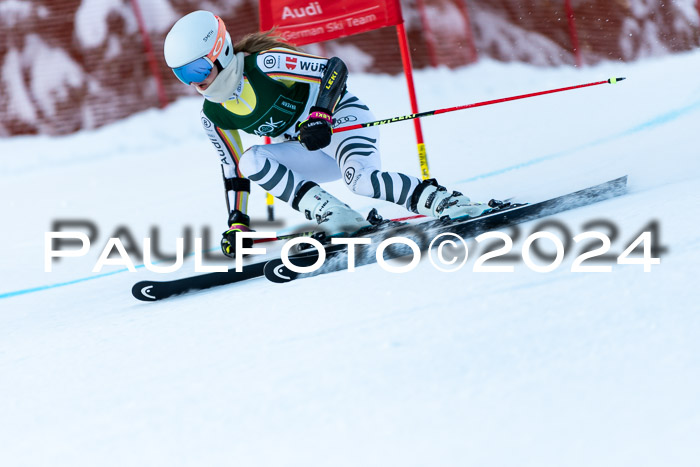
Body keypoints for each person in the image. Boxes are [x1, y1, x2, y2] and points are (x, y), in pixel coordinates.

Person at [163, 10, 491, 257]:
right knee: (250, 161)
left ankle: (450, 202)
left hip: (342, 121)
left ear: (219, 52)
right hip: (310, 149)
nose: (194, 81)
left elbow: (332, 69)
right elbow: (232, 170)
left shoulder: (264, 64)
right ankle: (340, 219)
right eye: (183, 75)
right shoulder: (212, 116)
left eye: (197, 69)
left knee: (361, 181)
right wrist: (238, 223)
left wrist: (320, 115)